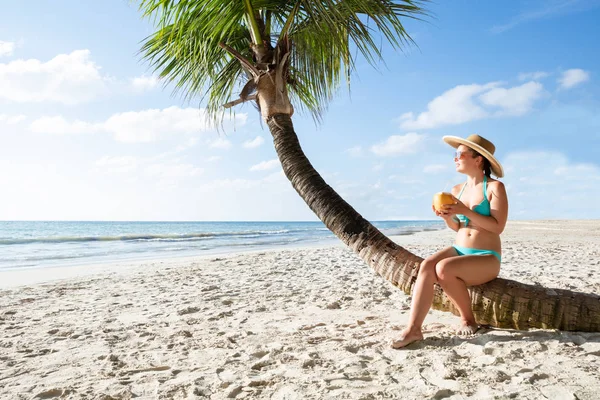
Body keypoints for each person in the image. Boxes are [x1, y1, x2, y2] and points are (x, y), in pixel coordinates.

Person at [392, 134, 508, 349]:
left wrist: (464, 210)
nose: (455, 158)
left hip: (486, 256)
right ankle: (414, 329)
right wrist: (447, 217)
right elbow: (459, 226)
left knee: (444, 268)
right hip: (459, 248)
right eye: (455, 154)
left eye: (460, 154)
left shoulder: (494, 188)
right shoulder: (457, 190)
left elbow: (497, 227)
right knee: (427, 265)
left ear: (478, 159)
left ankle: (468, 319)